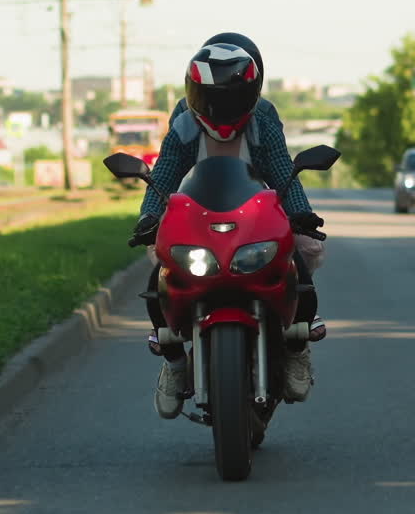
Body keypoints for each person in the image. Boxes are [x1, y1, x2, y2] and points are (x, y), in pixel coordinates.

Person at [130, 33, 327, 418]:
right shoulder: (183, 123)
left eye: (230, 99)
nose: (218, 108)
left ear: (251, 95)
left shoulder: (263, 121)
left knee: (299, 257)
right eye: (208, 98)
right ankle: (173, 361)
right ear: (193, 93)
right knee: (160, 274)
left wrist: (302, 214)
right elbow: (165, 172)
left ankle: (296, 345)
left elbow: (282, 171)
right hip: (197, 217)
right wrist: (148, 217)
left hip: (254, 215)